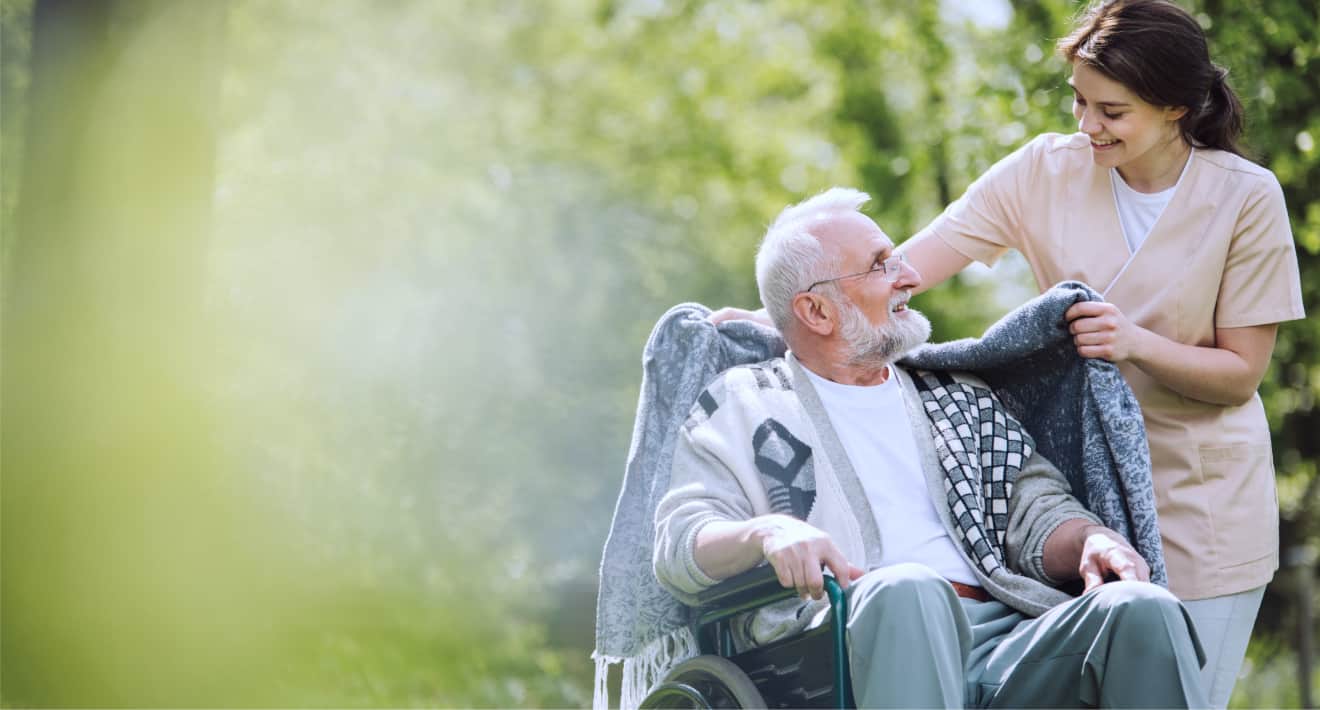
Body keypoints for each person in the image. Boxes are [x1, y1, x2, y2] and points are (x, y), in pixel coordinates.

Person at [710, 2, 1305, 705]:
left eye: (1112, 112)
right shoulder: (1044, 172)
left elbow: (1240, 375)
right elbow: (907, 266)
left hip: (1201, 502)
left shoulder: (1245, 198)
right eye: (1079, 101)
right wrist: (779, 313)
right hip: (1080, 491)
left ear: (1175, 107)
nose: (1087, 125)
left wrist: (1135, 344)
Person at [655, 187, 1206, 708]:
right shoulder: (744, 403)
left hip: (1003, 637)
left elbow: (1036, 511)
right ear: (816, 311)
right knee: (910, 589)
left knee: (1140, 609)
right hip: (835, 643)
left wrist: (1090, 537)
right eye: (881, 265)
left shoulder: (955, 396)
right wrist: (767, 532)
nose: (911, 277)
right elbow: (680, 540)